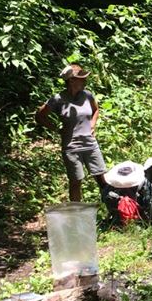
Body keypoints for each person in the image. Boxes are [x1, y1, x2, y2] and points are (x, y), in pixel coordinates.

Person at [36, 64, 108, 201]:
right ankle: (77, 215)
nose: (85, 81)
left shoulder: (87, 95)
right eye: (81, 78)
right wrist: (56, 129)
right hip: (71, 147)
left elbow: (96, 110)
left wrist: (93, 125)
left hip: (90, 144)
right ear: (72, 80)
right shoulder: (58, 99)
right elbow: (39, 116)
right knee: (76, 182)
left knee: (101, 178)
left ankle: (114, 209)